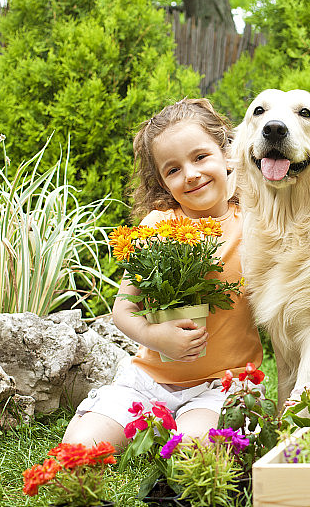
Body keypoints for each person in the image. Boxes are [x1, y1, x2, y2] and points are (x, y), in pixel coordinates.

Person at [63, 98, 263, 448]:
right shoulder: (158, 225)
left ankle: (183, 429)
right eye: (173, 169)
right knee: (80, 447)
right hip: (149, 381)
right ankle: (152, 423)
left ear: (227, 153)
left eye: (201, 157)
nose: (191, 174)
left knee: (194, 448)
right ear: (161, 181)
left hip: (223, 384)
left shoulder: (256, 220)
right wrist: (156, 337)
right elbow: (122, 311)